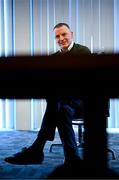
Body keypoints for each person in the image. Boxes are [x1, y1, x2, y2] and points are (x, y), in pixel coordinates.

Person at [5, 23, 91, 165]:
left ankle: (37, 149)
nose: (61, 38)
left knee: (57, 102)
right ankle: (72, 159)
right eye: (57, 36)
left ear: (72, 34)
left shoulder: (82, 51)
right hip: (63, 105)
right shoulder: (53, 58)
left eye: (64, 34)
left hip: (83, 103)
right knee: (60, 109)